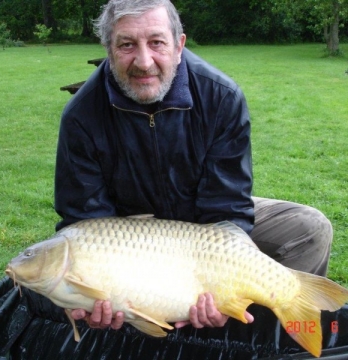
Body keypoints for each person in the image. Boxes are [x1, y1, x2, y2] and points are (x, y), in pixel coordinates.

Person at [54, 0, 333, 333]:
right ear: (109, 49)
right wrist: (100, 293)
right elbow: (88, 223)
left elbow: (226, 205)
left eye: (157, 43)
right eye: (127, 44)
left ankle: (267, 328)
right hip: (132, 245)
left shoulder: (220, 97)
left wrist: (222, 291)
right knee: (71, 279)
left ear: (179, 45)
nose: (144, 62)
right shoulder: (81, 116)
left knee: (309, 229)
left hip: (205, 231)